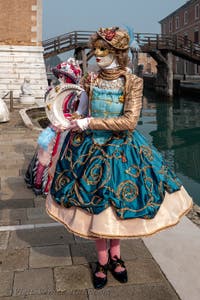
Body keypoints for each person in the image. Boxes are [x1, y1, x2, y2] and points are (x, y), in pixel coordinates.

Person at [46, 27, 193, 289]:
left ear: (118, 53)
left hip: (122, 149)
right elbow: (82, 111)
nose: (97, 54)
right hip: (89, 150)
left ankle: (116, 256)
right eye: (96, 49)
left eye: (103, 49)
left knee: (117, 204)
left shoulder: (132, 82)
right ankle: (102, 260)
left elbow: (129, 121)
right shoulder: (89, 80)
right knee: (95, 205)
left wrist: (89, 122)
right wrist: (67, 122)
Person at [25, 58, 88, 195]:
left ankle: (55, 186)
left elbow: (80, 112)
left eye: (63, 76)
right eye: (60, 76)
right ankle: (41, 184)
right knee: (44, 154)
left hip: (68, 127)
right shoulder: (56, 91)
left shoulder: (78, 94)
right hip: (54, 126)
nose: (60, 79)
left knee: (60, 156)